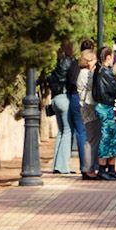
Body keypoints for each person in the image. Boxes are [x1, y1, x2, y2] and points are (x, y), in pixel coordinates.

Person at [93, 46, 116, 180]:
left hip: (104, 106)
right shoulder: (106, 72)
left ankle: (110, 168)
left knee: (113, 137)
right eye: (112, 57)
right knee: (107, 138)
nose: (113, 60)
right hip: (105, 106)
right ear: (108, 57)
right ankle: (103, 169)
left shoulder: (98, 71)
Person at [48, 41, 76, 174]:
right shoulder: (69, 62)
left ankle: (56, 164)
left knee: (61, 132)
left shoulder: (56, 63)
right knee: (68, 131)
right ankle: (63, 166)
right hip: (65, 98)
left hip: (55, 98)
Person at [75, 48, 100, 180]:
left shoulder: (84, 73)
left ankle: (90, 167)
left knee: (92, 138)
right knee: (91, 139)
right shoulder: (85, 74)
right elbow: (91, 87)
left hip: (88, 108)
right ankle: (88, 168)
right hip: (89, 108)